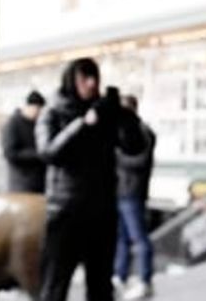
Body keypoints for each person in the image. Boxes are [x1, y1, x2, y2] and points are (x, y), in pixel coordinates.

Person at [36, 59, 146, 301]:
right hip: (66, 211)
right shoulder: (53, 111)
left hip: (102, 212)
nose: (92, 83)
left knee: (100, 287)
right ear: (71, 80)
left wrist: (124, 117)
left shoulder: (104, 112)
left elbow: (135, 147)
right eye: (84, 78)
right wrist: (83, 124)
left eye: (94, 77)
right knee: (55, 284)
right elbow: (49, 152)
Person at [113, 95, 156, 300]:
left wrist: (116, 156)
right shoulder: (121, 132)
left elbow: (140, 161)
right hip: (119, 192)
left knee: (139, 238)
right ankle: (119, 276)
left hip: (133, 193)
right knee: (121, 239)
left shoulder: (144, 132)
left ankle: (145, 281)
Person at [2, 90, 47, 193]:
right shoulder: (12, 124)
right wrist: (37, 154)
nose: (39, 113)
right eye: (38, 109)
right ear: (30, 106)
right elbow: (10, 153)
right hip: (21, 183)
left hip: (39, 181)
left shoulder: (37, 124)